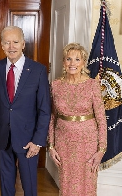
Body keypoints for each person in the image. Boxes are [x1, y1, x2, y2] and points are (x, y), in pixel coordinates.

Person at [0, 26, 51, 196]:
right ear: (2, 45)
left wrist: (38, 141)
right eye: (7, 42)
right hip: (3, 137)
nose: (11, 46)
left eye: (15, 42)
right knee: (6, 185)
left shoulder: (38, 70)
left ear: (23, 44)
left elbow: (44, 110)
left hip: (29, 141)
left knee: (30, 188)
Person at [48, 43, 107, 196]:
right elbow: (52, 117)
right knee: (66, 184)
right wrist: (51, 146)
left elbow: (101, 118)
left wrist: (101, 149)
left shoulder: (92, 85)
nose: (72, 63)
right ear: (63, 62)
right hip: (64, 143)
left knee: (87, 184)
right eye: (68, 59)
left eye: (77, 59)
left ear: (83, 63)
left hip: (88, 143)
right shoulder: (55, 85)